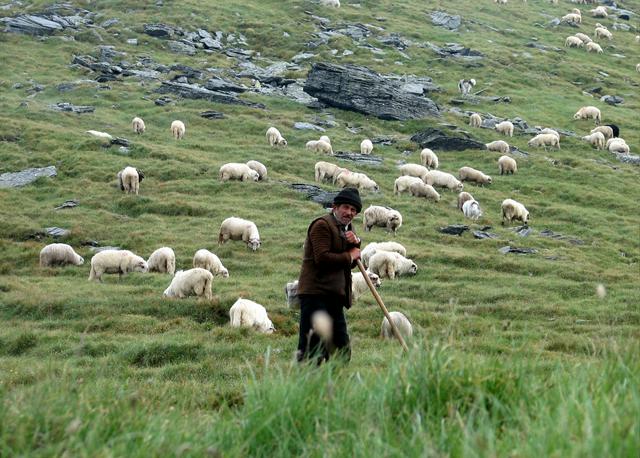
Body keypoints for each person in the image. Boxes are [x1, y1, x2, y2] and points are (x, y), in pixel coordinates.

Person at [296, 187, 363, 364]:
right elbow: (322, 259)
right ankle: (306, 389)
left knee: (342, 349)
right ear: (335, 206)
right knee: (313, 350)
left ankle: (337, 388)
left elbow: (352, 263)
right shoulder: (322, 225)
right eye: (346, 207)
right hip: (315, 295)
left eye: (353, 210)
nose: (349, 212)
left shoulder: (347, 229)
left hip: (334, 297)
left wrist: (356, 245)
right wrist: (350, 255)